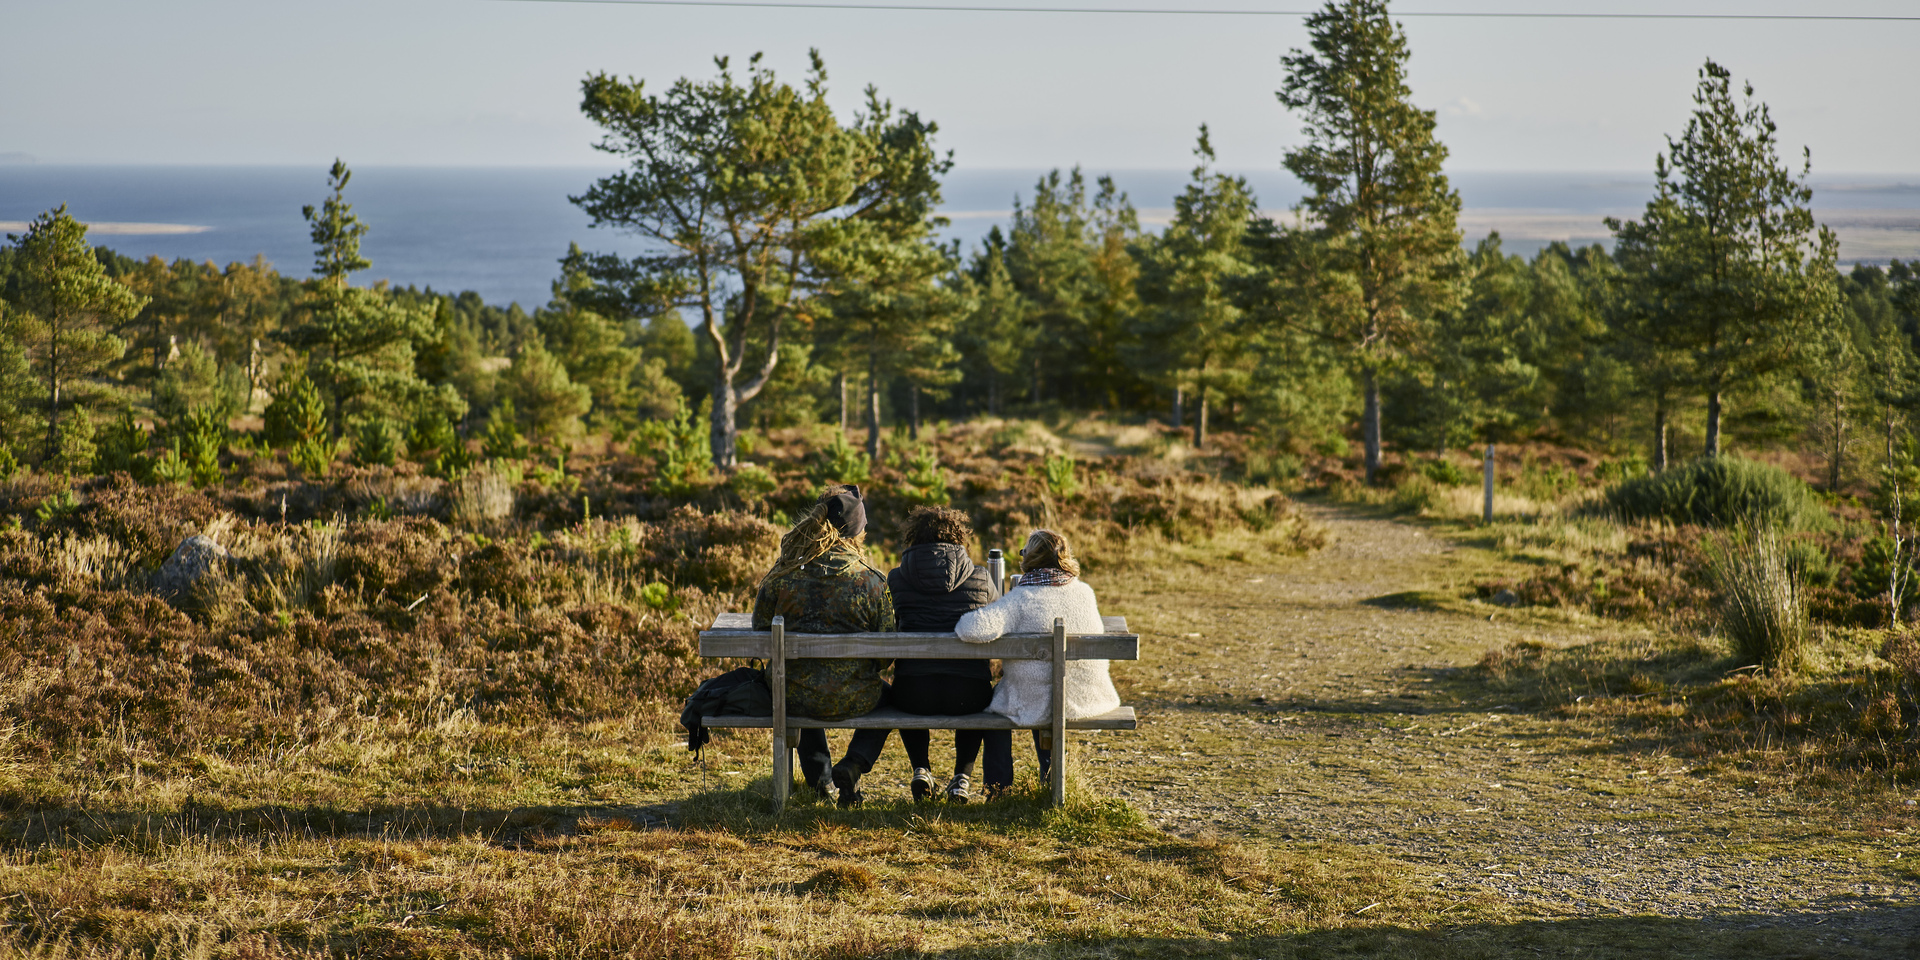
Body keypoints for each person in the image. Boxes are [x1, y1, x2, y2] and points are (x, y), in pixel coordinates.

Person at [751, 485, 896, 806]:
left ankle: (822, 782)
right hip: (856, 696)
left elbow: (760, 630)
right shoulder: (872, 581)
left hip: (792, 696)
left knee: (798, 685)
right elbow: (886, 652)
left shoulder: (783, 573)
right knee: (890, 696)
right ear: (857, 533)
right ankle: (853, 764)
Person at [955, 529, 1120, 778]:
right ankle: (1051, 774)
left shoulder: (1022, 598)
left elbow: (971, 629)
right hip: (1087, 697)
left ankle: (998, 788)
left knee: (994, 704)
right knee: (1039, 687)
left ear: (1029, 558)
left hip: (1039, 700)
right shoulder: (1085, 592)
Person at [885, 506, 1008, 803]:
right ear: (959, 538)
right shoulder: (980, 578)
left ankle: (921, 769)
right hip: (968, 695)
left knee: (906, 684)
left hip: (912, 694)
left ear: (914, 538)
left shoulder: (897, 579)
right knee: (975, 689)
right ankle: (961, 779)